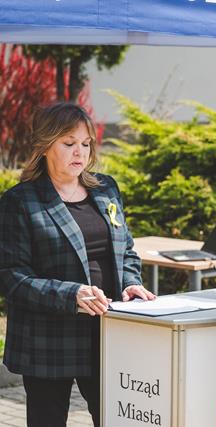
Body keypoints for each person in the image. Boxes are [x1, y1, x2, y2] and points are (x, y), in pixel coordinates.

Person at [0, 102, 156, 427]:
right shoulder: (21, 201)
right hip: (48, 341)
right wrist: (71, 295)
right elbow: (12, 278)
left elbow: (125, 249)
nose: (80, 152)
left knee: (116, 420)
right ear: (45, 146)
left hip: (107, 331)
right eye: (69, 143)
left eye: (86, 144)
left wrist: (130, 281)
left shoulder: (106, 188)